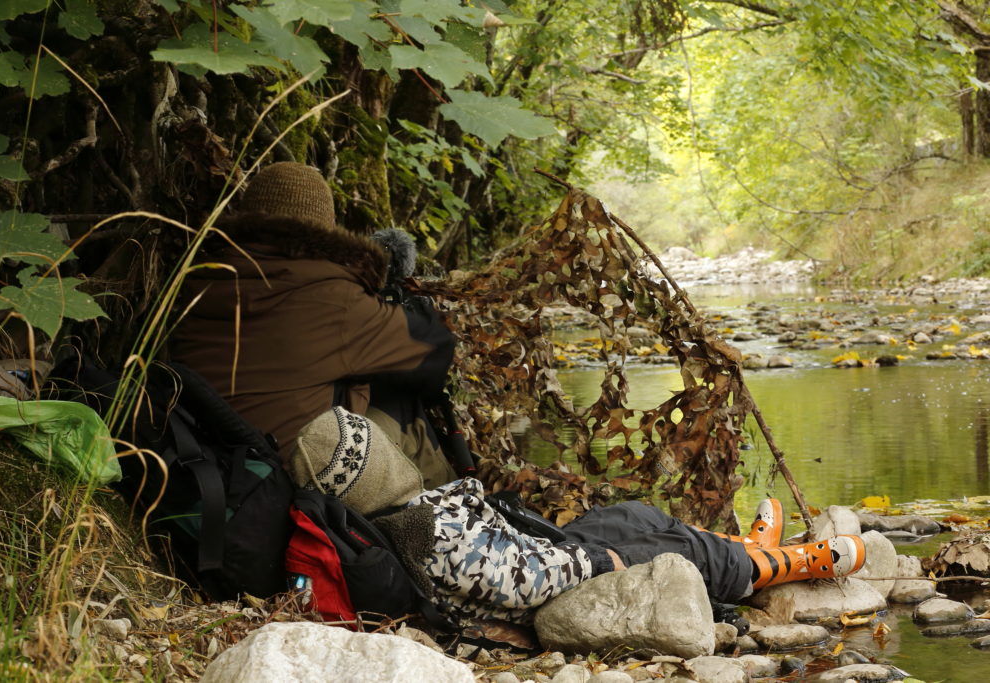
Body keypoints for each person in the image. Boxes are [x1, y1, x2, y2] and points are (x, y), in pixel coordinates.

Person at [294, 407, 868, 625]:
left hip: (543, 550)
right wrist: (600, 560)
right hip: (554, 579)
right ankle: (786, 564)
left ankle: (744, 549)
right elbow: (515, 581)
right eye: (373, 447)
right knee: (667, 552)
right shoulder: (429, 535)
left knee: (631, 513)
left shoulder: (403, 514)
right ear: (367, 471)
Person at [170, 162, 459, 487]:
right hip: (291, 484)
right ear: (326, 230)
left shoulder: (199, 280)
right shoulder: (334, 299)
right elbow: (434, 351)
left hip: (208, 470)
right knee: (404, 411)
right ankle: (461, 516)